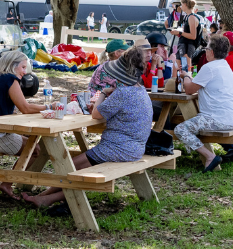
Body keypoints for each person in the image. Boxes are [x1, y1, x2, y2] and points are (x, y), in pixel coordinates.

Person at [23, 47, 152, 211]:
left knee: (70, 168)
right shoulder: (139, 90)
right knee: (74, 168)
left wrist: (104, 93)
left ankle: (46, 199)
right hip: (134, 148)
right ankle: (43, 197)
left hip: (118, 148)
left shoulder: (122, 93)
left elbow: (96, 114)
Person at [0, 49, 46, 199]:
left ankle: (1, 180)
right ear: (12, 65)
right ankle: (6, 184)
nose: (24, 72)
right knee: (36, 149)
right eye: (23, 67)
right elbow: (25, 108)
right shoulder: (10, 79)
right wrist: (49, 108)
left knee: (29, 136)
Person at [173, 34, 233, 173]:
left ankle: (209, 156)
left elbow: (189, 90)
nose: (205, 51)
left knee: (180, 129)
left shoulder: (209, 67)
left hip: (218, 119)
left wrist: (186, 76)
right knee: (191, 124)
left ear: (211, 52)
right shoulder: (225, 65)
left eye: (206, 48)